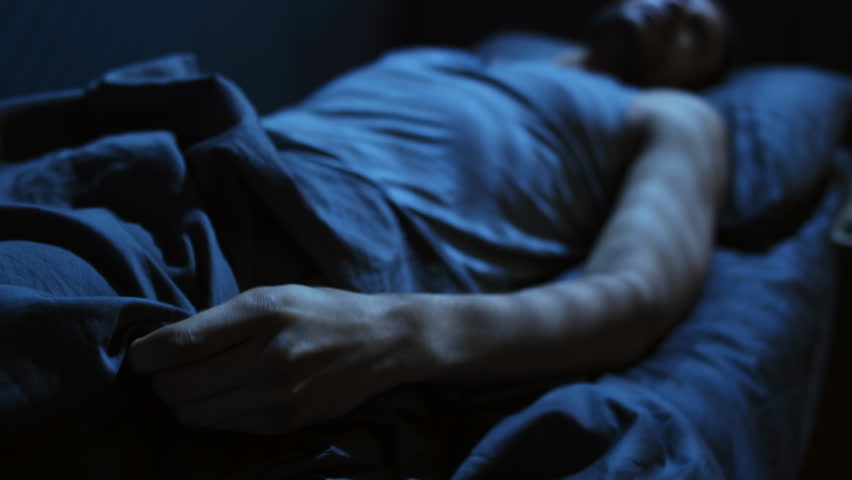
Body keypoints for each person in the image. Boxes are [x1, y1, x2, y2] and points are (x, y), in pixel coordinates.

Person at [119, 0, 731, 436]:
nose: (676, 7)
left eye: (697, 30)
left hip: (289, 240)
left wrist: (397, 332)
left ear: (700, 76)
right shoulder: (456, 57)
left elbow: (636, 294)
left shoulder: (674, 113)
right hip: (168, 158)